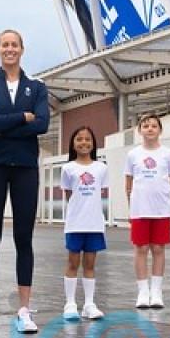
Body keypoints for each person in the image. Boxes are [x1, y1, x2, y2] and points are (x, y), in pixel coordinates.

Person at [0, 29, 49, 335]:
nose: (10, 49)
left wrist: (1, 123)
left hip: (25, 167)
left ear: (22, 49)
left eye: (14, 44)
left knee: (23, 238)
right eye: (5, 45)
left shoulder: (37, 88)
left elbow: (41, 124)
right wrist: (21, 117)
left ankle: (24, 311)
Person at [124, 113, 170, 309]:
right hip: (140, 209)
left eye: (154, 125)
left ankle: (156, 291)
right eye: (145, 126)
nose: (150, 129)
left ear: (160, 130)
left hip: (161, 209)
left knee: (158, 249)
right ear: (140, 131)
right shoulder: (133, 154)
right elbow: (128, 183)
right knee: (141, 249)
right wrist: (131, 208)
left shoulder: (168, 154)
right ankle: (143, 292)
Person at [61, 126, 108, 321]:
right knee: (73, 263)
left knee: (90, 265)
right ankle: (70, 303)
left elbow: (101, 192)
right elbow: (69, 194)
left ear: (93, 143)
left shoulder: (101, 168)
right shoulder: (68, 168)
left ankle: (89, 304)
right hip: (75, 224)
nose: (84, 142)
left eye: (88, 139)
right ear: (73, 144)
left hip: (94, 224)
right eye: (79, 139)